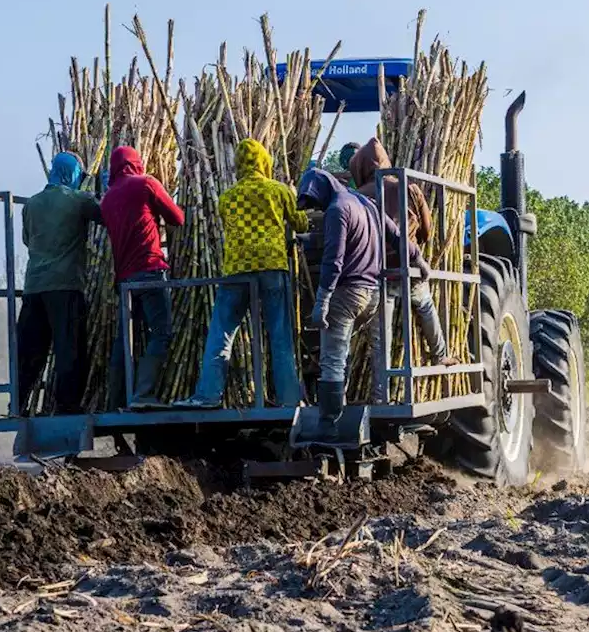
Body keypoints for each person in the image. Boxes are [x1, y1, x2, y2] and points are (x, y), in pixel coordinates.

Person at [174, 139, 306, 408]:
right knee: (279, 336)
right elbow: (301, 222)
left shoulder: (227, 197)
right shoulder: (278, 191)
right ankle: (290, 399)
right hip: (272, 266)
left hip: (237, 270)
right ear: (264, 162)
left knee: (221, 333)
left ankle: (208, 395)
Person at [297, 167, 429, 439]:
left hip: (348, 294)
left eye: (315, 202)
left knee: (332, 358)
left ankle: (328, 425)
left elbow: (333, 260)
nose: (318, 208)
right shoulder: (366, 203)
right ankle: (347, 409)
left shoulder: (337, 209)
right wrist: (418, 260)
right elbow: (396, 235)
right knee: (343, 351)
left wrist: (322, 300)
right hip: (372, 295)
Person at [348, 137, 457, 367]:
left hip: (376, 272)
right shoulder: (408, 188)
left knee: (381, 339)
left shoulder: (357, 196)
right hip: (409, 264)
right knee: (426, 306)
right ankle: (440, 355)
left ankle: (381, 395)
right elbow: (427, 232)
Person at [100, 145, 185, 410]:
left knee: (124, 339)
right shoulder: (146, 184)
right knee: (161, 333)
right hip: (150, 272)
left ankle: (115, 400)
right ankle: (143, 395)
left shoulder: (108, 199)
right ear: (136, 163)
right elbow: (177, 218)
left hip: (124, 280)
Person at [15, 151, 100, 415]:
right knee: (69, 348)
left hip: (34, 287)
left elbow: (27, 240)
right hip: (65, 286)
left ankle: (17, 403)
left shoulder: (31, 204)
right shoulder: (79, 201)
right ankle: (67, 406)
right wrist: (107, 188)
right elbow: (108, 216)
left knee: (29, 350)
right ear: (74, 175)